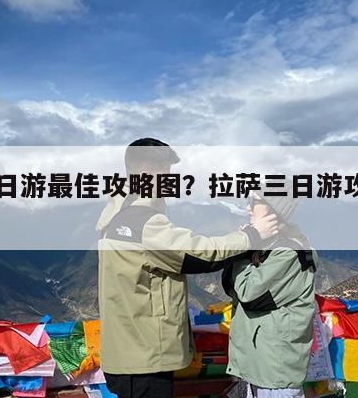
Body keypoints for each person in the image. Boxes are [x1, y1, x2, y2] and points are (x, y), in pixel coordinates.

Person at [96, 138, 280, 398]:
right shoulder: (142, 223)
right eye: (166, 175)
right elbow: (202, 255)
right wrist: (252, 236)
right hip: (144, 355)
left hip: (127, 347)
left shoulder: (117, 214)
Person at [222, 189, 317, 398]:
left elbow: (249, 295)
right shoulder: (267, 247)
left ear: (274, 210)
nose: (248, 208)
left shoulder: (290, 253)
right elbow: (230, 286)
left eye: (254, 202)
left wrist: (244, 250)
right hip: (256, 365)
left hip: (274, 372)